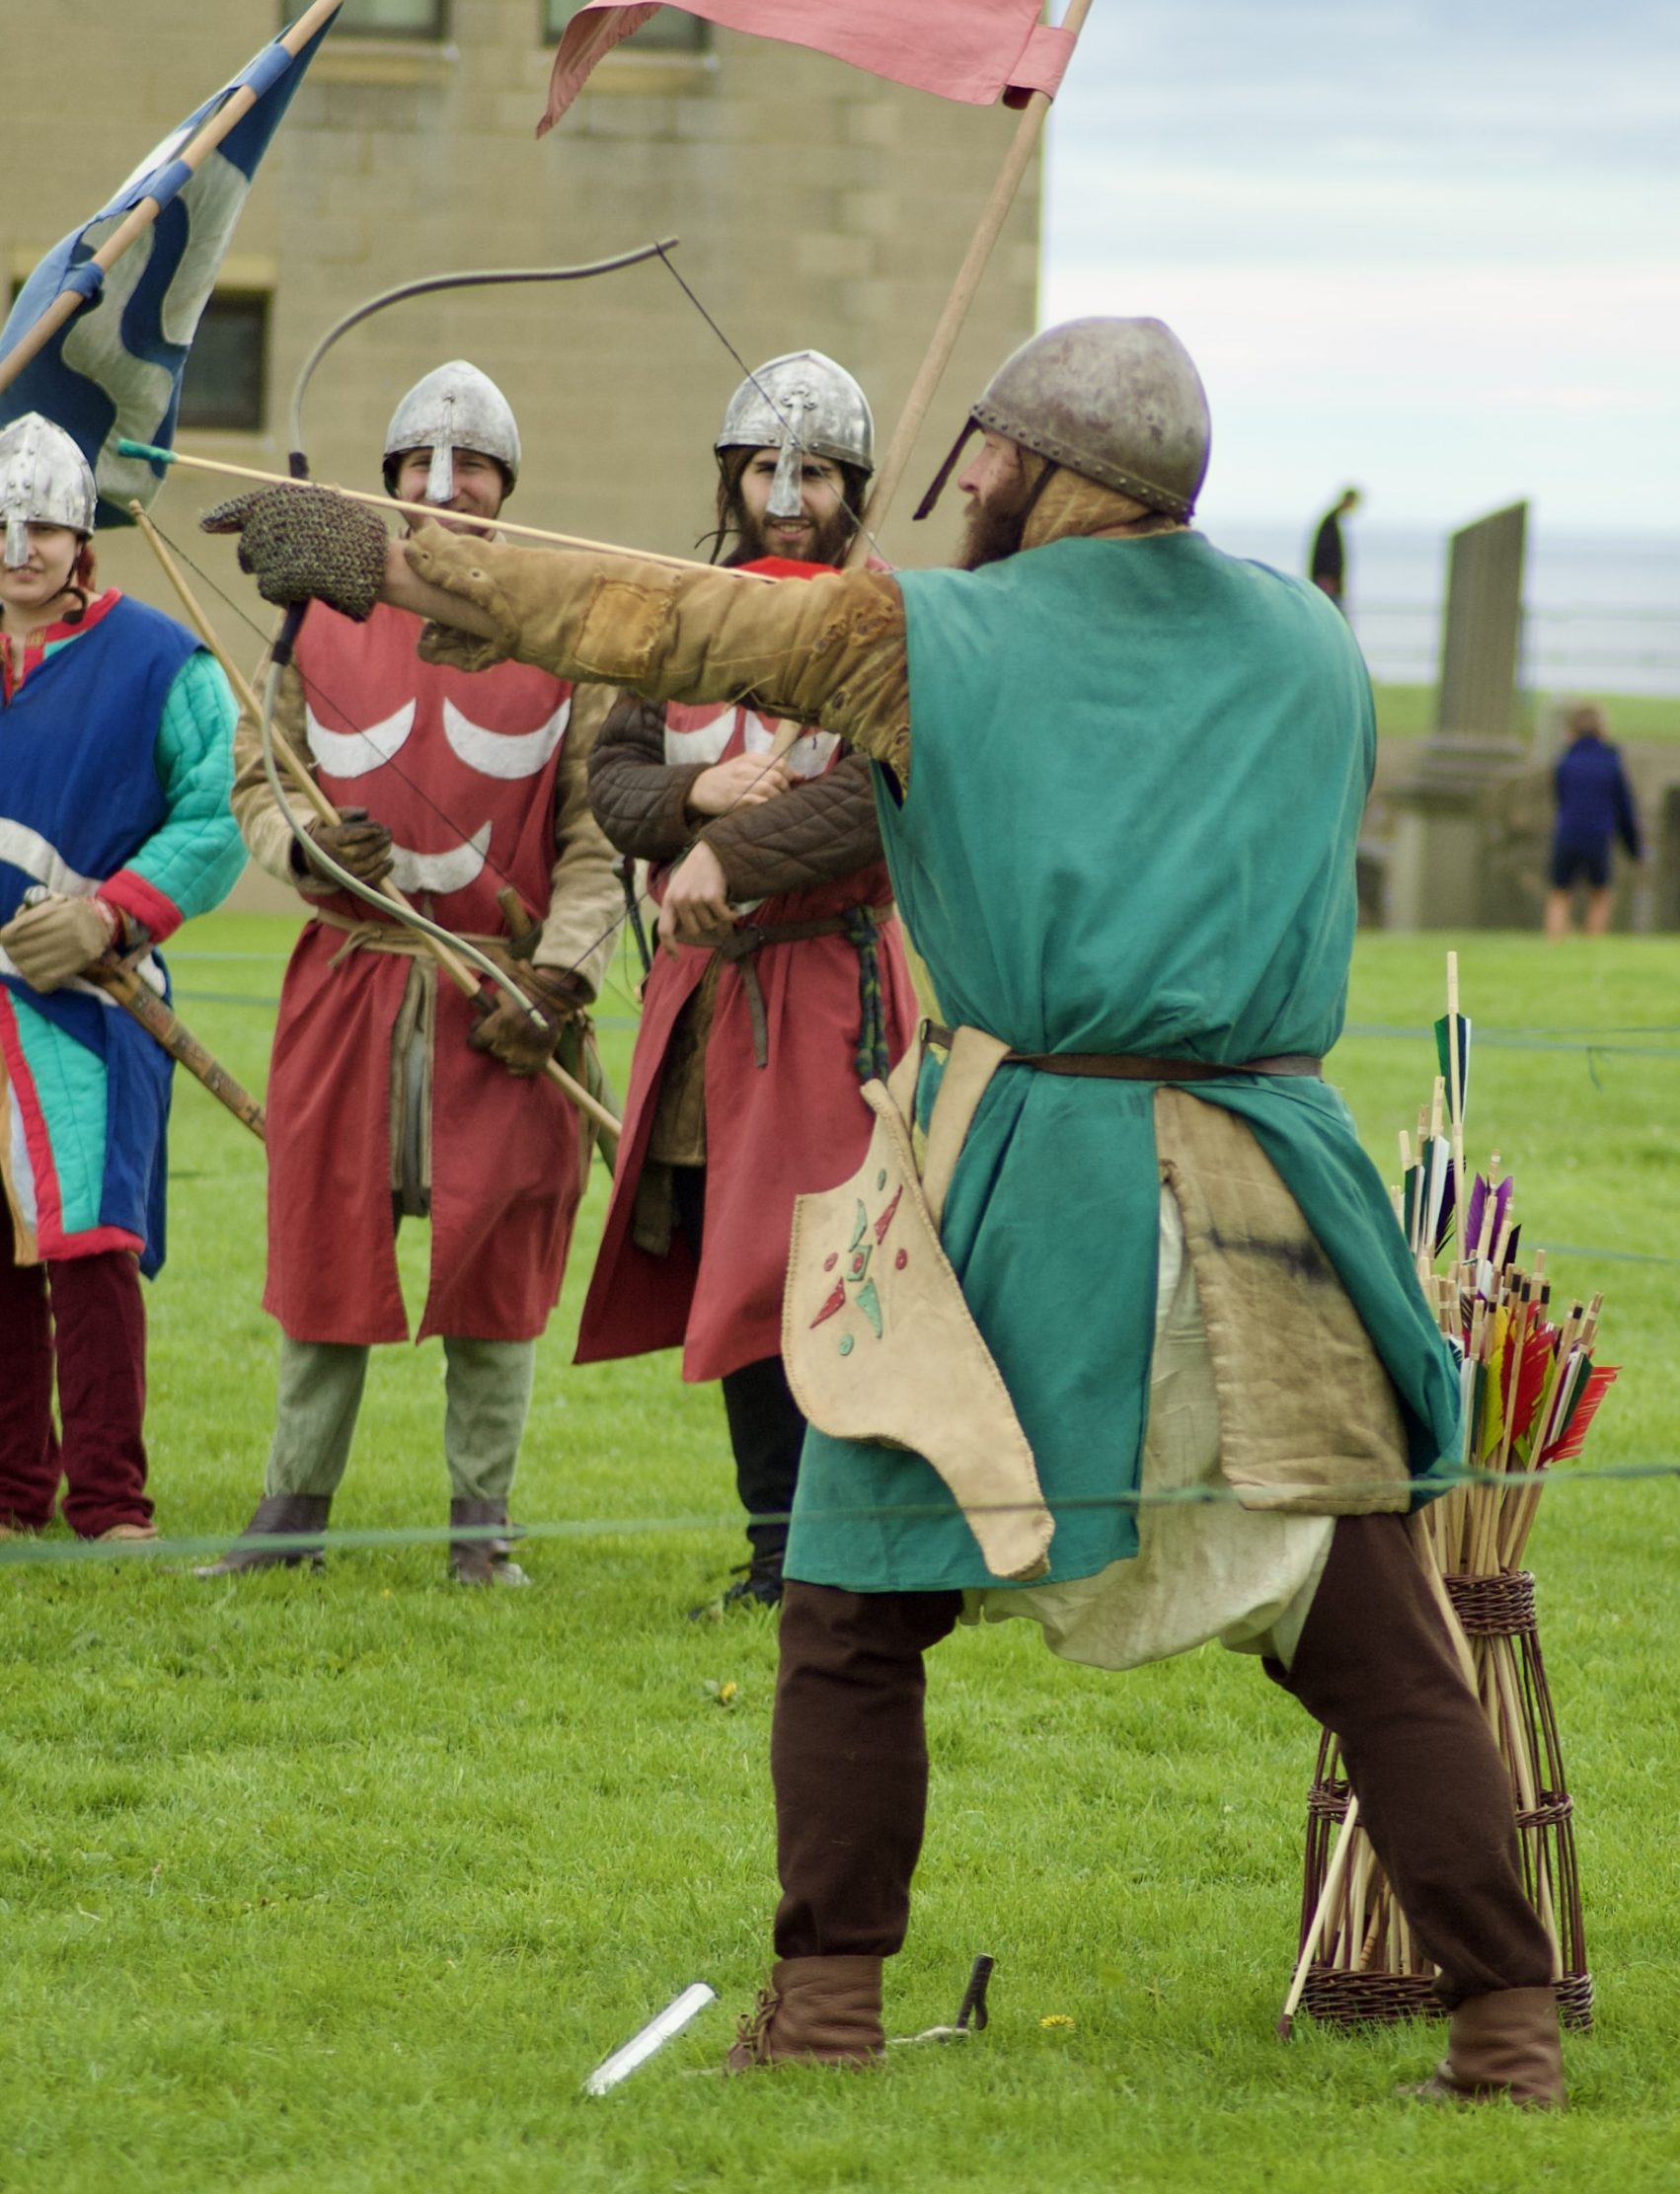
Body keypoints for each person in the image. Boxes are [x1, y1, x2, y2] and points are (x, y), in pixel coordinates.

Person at [214, 317, 1566, 2107]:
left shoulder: (925, 637)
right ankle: (1508, 2032)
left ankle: (831, 2005)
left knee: (847, 1602)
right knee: (1370, 1622)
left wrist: (393, 559)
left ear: (1046, 470)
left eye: (987, 458)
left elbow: (664, 623)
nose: (966, 486)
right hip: (1278, 1190)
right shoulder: (1316, 642)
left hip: (1039, 1185)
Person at [201, 363, 622, 1585]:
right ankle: (293, 1512)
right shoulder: (315, 614)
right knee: (325, 1235)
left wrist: (561, 978)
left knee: (500, 1246)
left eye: (472, 467)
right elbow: (257, 775)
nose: (445, 487)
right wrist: (306, 842)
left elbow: (597, 837)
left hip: (504, 992)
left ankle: (478, 1526)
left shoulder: (567, 625)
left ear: (508, 487)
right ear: (385, 483)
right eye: (420, 468)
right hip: (354, 970)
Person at [579, 354, 918, 1611]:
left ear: (852, 488)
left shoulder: (881, 625)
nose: (788, 494)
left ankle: (847, 1546)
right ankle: (778, 1550)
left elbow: (876, 804)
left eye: (815, 471)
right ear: (732, 476)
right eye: (767, 468)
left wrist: (730, 847)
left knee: (831, 1269)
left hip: (834, 991)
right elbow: (613, 783)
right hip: (713, 993)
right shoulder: (684, 614)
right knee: (733, 1257)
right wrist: (691, 798)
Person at [0, 413, 243, 1543]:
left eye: (44, 525)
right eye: (4, 527)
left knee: (90, 1243)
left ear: (80, 533)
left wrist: (109, 909)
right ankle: (11, 1489)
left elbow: (217, 814)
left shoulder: (155, 660)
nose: (21, 549)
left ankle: (109, 1502)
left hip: (91, 1000)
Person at [1544, 702, 1642, 941]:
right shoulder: (1611, 763)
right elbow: (1624, 808)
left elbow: (1559, 797)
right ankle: (1593, 941)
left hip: (1567, 833)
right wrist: (1634, 848)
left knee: (1560, 892)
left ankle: (1553, 940)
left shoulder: (1565, 762)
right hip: (1598, 835)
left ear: (1571, 731)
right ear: (1602, 730)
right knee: (1600, 893)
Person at [1309, 486, 1361, 610]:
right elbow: (1325, 552)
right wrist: (1326, 578)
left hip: (1329, 581)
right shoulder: (1330, 522)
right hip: (1328, 582)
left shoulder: (1333, 521)